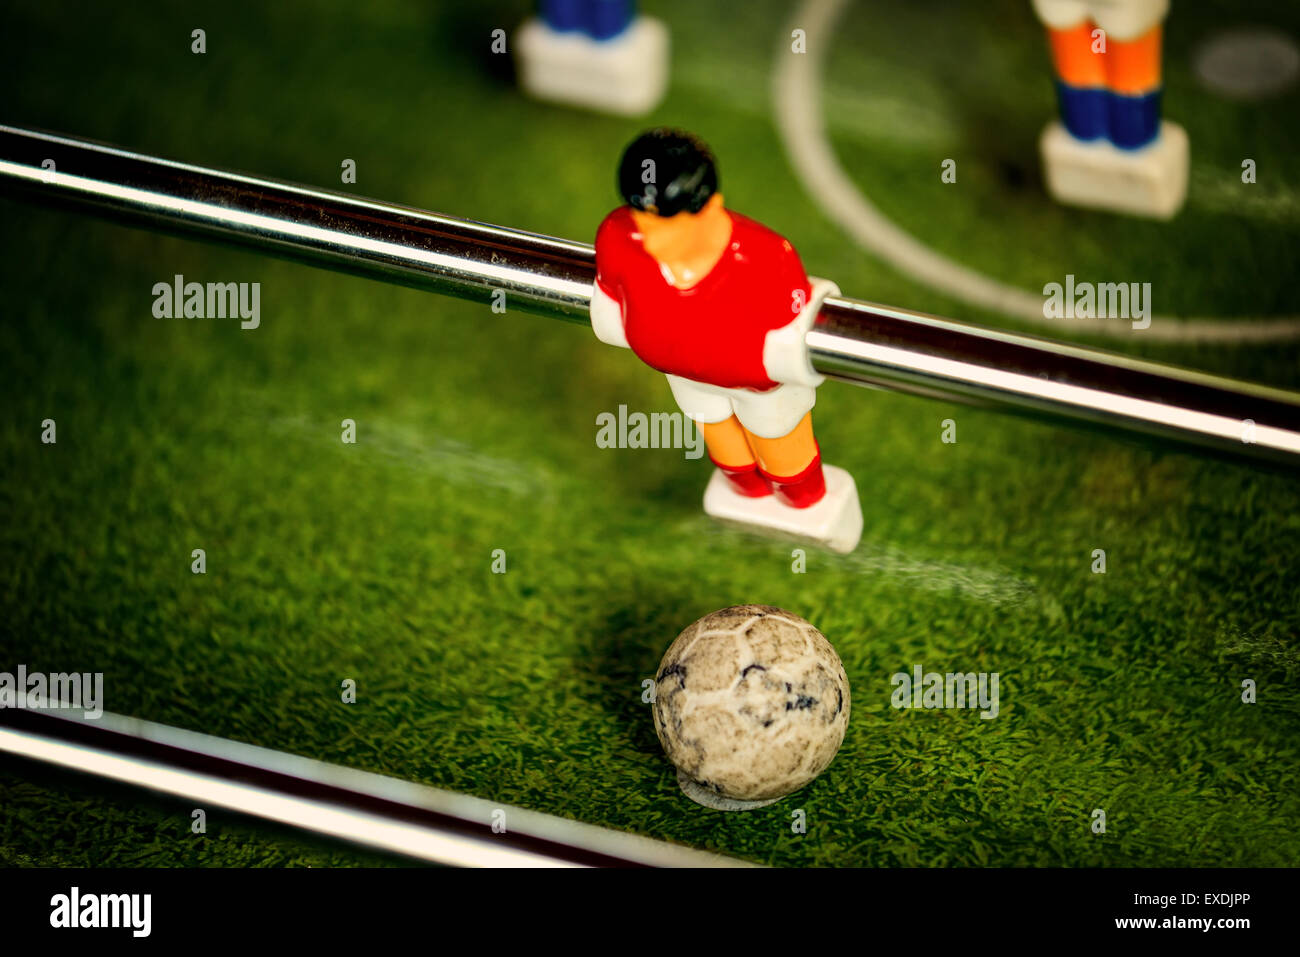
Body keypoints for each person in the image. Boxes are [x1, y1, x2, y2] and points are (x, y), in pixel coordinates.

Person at [591, 129, 862, 552]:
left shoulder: (767, 258)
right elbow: (609, 304)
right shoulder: (617, 238)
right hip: (685, 377)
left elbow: (788, 333)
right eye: (642, 220)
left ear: (710, 207)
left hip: (759, 385)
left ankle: (802, 505)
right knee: (723, 442)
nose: (653, 239)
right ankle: (748, 498)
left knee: (777, 441)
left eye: (667, 224)